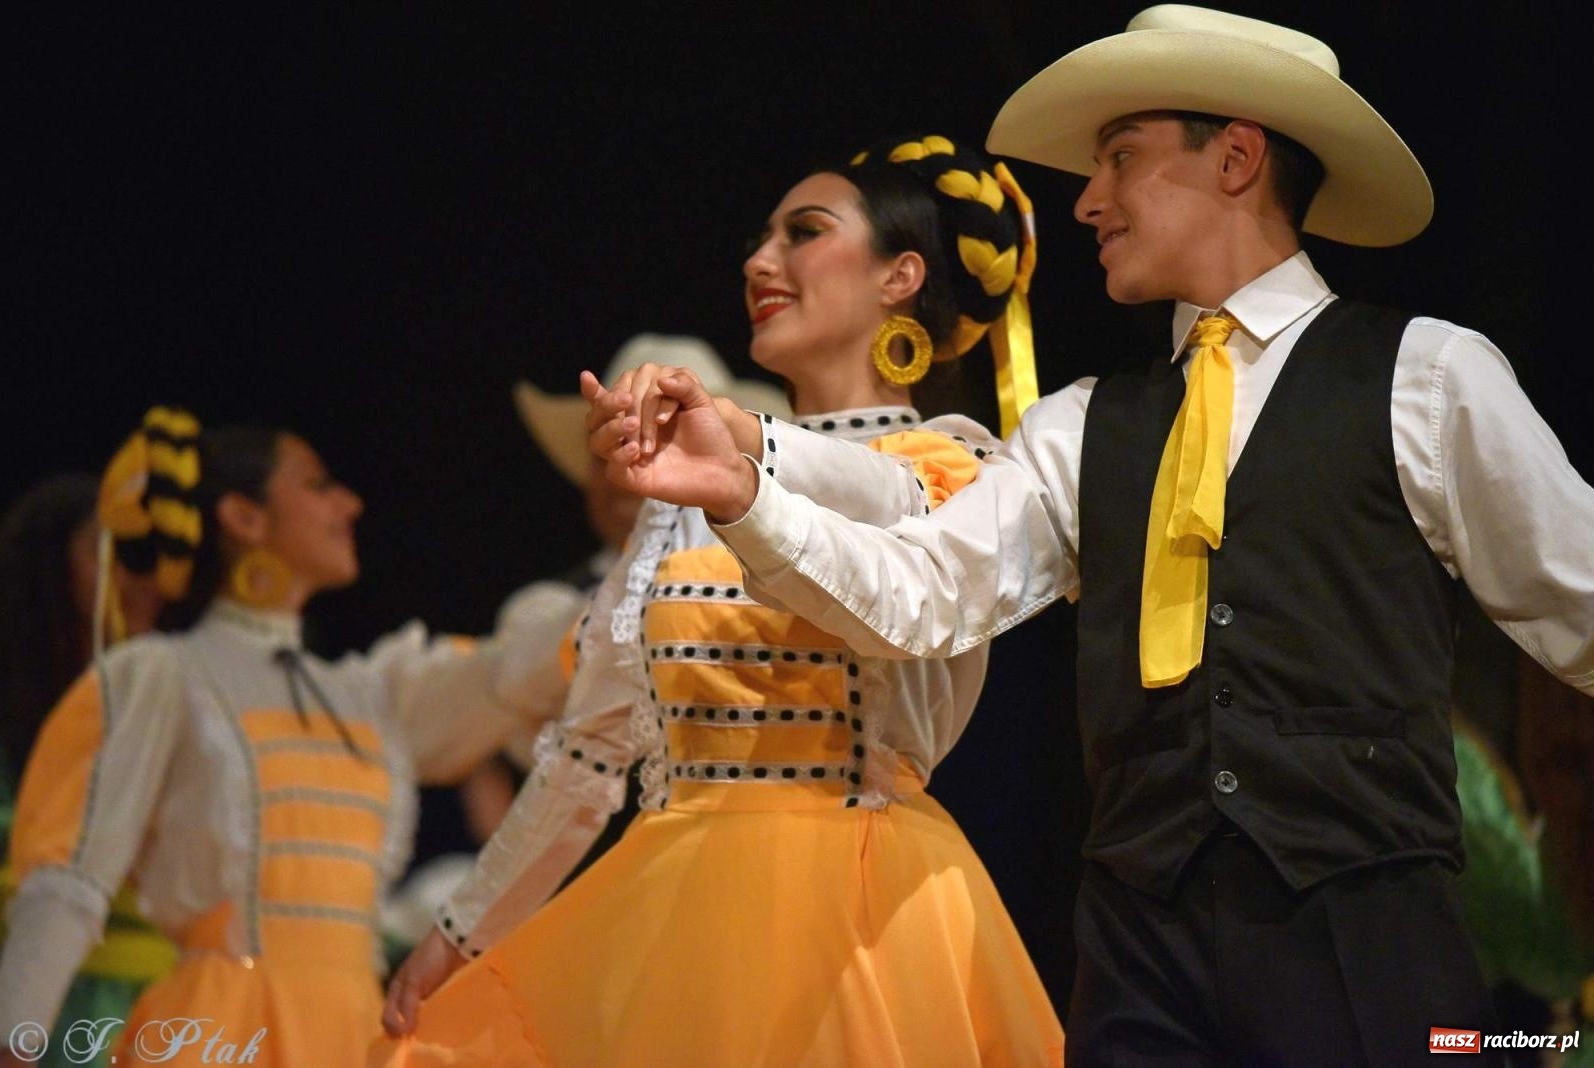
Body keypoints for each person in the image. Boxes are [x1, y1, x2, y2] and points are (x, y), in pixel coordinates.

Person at [588, 6, 1594, 1063]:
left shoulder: (1425, 375)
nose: (1086, 200)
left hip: (1363, 935)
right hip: (1140, 950)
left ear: (1237, 159)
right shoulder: (1077, 425)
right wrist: (744, 492)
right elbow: (917, 594)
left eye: (1121, 157)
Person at [372, 135, 1065, 1066]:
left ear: (900, 277)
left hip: (855, 913)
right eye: (760, 237)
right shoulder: (690, 498)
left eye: (804, 232)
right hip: (674, 910)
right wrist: (457, 932)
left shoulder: (949, 466)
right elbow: (588, 749)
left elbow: (902, 545)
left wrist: (751, 455)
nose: (758, 260)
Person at [0, 409, 572, 1067]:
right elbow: (69, 881)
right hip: (221, 1031)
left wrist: (649, 562)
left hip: (355, 1033)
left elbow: (512, 674)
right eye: (318, 484)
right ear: (244, 518)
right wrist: (13, 1045)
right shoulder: (160, 676)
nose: (348, 502)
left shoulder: (369, 695)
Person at [383, 335, 788, 953]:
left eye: (663, 435)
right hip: (594, 928)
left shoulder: (780, 584)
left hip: (759, 894)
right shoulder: (547, 610)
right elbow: (454, 722)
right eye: (612, 445)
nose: (632, 463)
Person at [0, 470, 174, 1068]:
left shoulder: (180, 708)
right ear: (47, 568)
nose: (141, 579)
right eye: (117, 553)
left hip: (167, 1015)